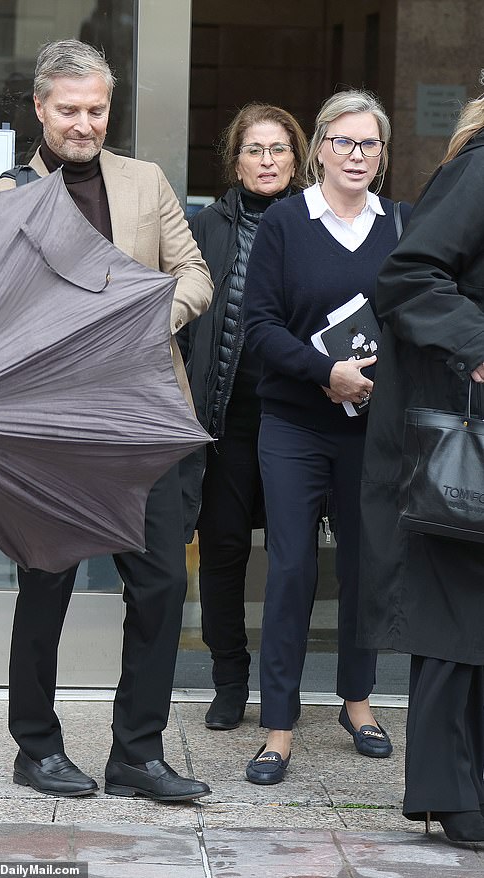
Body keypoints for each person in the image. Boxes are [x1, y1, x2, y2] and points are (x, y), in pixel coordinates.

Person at [0, 39, 213, 801]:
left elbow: (196, 276)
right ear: (42, 108)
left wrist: (143, 321)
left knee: (158, 591)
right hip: (52, 435)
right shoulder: (4, 195)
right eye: (70, 110)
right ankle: (36, 747)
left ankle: (137, 754)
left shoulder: (145, 181)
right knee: (44, 588)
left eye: (98, 109)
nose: (85, 123)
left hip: (146, 421)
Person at [242, 90, 409, 785]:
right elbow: (259, 328)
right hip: (294, 424)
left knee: (366, 569)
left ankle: (358, 702)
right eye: (343, 142)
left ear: (382, 154)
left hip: (371, 431)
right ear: (318, 148)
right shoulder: (285, 222)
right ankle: (279, 724)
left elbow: (416, 315)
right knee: (290, 572)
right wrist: (326, 373)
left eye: (369, 144)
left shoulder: (401, 224)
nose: (356, 155)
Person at [357, 96, 484, 842]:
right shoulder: (478, 172)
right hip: (459, 433)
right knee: (454, 611)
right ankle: (448, 793)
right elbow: (408, 277)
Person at [179, 103, 308, 731]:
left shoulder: (317, 224)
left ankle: (290, 687)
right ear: (235, 160)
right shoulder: (205, 226)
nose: (266, 161)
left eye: (278, 149)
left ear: (297, 158)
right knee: (225, 548)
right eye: (254, 150)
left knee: (293, 554)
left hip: (300, 413)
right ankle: (229, 680)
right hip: (228, 418)